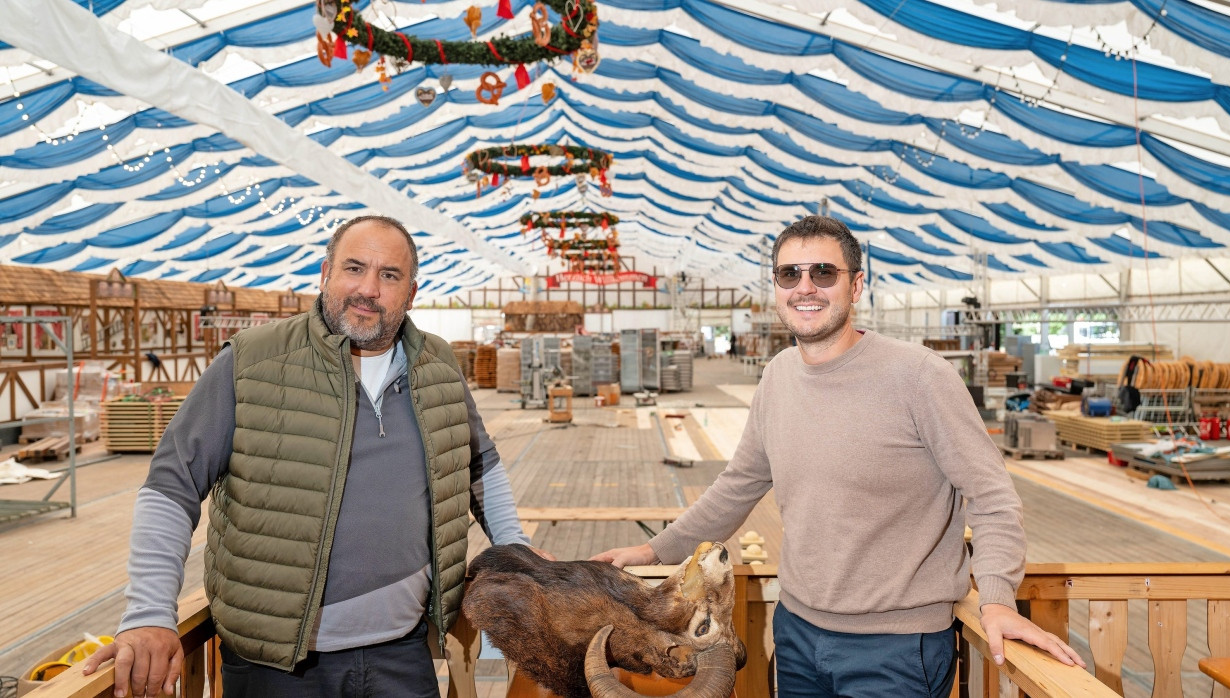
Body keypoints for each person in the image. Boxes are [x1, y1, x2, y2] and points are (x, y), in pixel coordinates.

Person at [592, 216, 1084, 697]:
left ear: (856, 285)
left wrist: (997, 601)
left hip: (897, 649)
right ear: (777, 287)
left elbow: (993, 498)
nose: (806, 287)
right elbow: (738, 485)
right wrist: (655, 551)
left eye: (823, 273)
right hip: (798, 633)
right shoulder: (778, 376)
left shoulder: (919, 377)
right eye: (791, 274)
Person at [85, 215, 546, 698]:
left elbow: (480, 463)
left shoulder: (438, 364)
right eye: (354, 268)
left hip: (402, 652)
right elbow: (171, 485)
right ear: (325, 273)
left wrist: (514, 548)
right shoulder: (252, 361)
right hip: (277, 664)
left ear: (411, 293)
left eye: (389, 275)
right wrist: (149, 612)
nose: (368, 288)